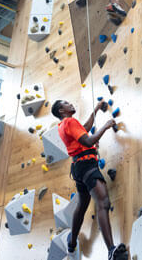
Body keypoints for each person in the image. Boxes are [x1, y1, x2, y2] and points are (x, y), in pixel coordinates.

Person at [52, 100, 128, 260]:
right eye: (67, 103)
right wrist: (106, 126)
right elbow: (87, 141)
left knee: (82, 205)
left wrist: (96, 110)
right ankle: (111, 251)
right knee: (103, 203)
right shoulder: (69, 121)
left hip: (79, 168)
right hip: (87, 165)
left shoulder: (63, 125)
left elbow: (84, 130)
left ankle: (71, 245)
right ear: (61, 110)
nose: (71, 104)